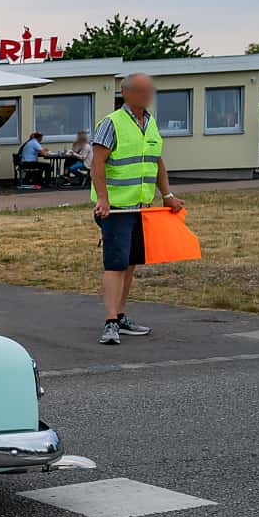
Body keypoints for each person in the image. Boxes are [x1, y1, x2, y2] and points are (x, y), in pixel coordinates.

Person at [91, 73, 184, 346]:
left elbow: (156, 161)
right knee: (115, 263)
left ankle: (120, 315)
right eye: (141, 90)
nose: (147, 95)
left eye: (149, 90)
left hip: (141, 208)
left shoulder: (150, 123)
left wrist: (166, 195)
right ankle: (110, 322)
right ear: (126, 93)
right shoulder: (111, 124)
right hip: (116, 209)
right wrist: (103, 199)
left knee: (130, 263)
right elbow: (97, 164)